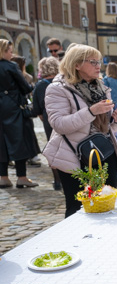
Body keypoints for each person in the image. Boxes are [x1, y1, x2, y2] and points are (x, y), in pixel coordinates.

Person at [43, 44, 117, 216]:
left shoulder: (101, 87)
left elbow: (108, 127)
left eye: (99, 61)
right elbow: (59, 124)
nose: (98, 66)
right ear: (76, 64)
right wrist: (91, 112)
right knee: (77, 209)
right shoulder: (57, 88)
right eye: (93, 62)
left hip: (103, 153)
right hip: (74, 156)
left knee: (106, 203)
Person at [0, 39, 38, 188]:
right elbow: (25, 87)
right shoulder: (11, 66)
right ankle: (21, 176)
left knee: (1, 142)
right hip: (13, 107)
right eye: (9, 50)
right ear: (3, 51)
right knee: (19, 139)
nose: (11, 53)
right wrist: (31, 86)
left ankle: (3, 177)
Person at [32, 57, 62, 190]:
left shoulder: (40, 85)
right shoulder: (63, 81)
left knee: (53, 149)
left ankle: (57, 180)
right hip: (66, 117)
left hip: (49, 120)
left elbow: (36, 109)